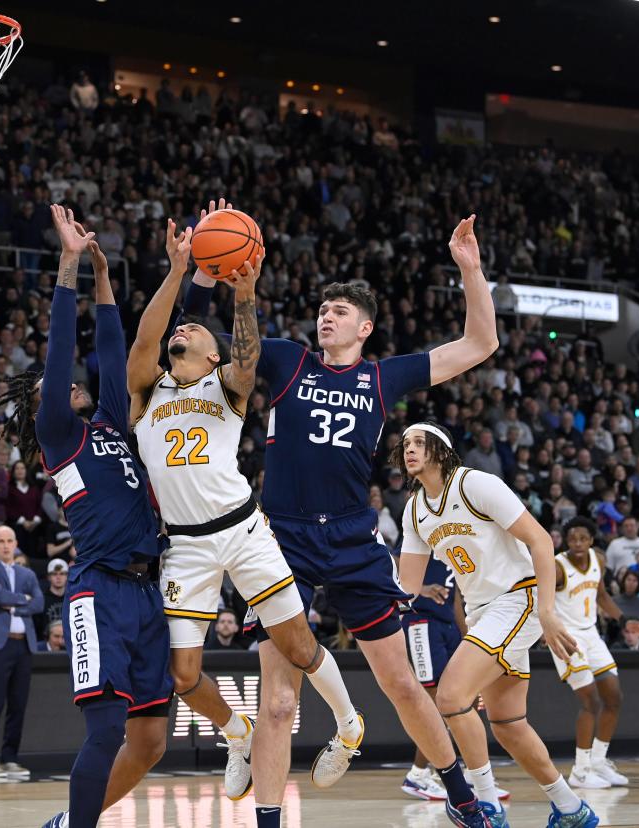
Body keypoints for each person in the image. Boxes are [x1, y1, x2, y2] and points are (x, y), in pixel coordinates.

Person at [183, 208, 490, 826]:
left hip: (353, 538)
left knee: (402, 684)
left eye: (341, 311)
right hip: (282, 540)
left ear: (366, 327)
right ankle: (268, 819)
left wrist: (471, 270)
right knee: (278, 700)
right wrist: (205, 268)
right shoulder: (286, 361)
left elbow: (479, 345)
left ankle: (461, 796)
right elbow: (202, 332)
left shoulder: (382, 378)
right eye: (324, 310)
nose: (327, 316)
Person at [131, 216, 361, 805]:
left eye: (193, 331)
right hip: (185, 546)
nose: (182, 329)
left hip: (242, 531)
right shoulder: (147, 393)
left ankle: (349, 723)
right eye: (178, 329)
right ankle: (238, 735)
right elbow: (143, 340)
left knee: (300, 647)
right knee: (182, 676)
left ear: (211, 357)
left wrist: (246, 293)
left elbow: (248, 355)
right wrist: (179, 270)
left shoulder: (225, 390)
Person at [0, 209, 175, 828]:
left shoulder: (109, 425)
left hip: (148, 593)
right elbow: (63, 350)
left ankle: (70, 820)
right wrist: (68, 264)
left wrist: (104, 277)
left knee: (150, 741)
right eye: (62, 386)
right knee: (104, 733)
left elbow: (111, 346)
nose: (74, 384)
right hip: (98, 593)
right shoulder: (58, 434)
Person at [395, 423, 598, 827]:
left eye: (419, 442)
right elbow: (407, 588)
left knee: (451, 697)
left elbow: (541, 541)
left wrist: (547, 611)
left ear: (441, 449)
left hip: (517, 599)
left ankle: (485, 804)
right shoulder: (415, 510)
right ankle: (572, 809)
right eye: (405, 445)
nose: (409, 450)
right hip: (481, 613)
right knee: (507, 723)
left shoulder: (476, 485)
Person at [551, 517, 627, 789]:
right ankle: (580, 771)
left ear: (592, 540)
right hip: (566, 637)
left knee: (614, 697)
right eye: (573, 539)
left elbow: (602, 595)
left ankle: (597, 762)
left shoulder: (599, 561)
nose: (578, 544)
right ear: (566, 541)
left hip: (591, 634)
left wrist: (624, 620)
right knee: (591, 701)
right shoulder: (557, 567)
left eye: (583, 538)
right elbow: (541, 601)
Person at [398, 551, 476, 802]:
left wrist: (469, 640)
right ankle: (417, 775)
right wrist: (420, 588)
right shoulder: (417, 541)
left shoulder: (451, 548)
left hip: (448, 627)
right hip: (421, 624)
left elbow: (455, 602)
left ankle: (474, 774)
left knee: (463, 700)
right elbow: (389, 571)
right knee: (436, 705)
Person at [0, 525, 43, 781]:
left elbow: (38, 603)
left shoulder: (27, 573)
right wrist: (22, 600)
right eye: (0, 541)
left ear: (15, 543)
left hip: (23, 644)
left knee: (18, 703)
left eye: (9, 540)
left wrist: (13, 605)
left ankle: (10, 757)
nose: (5, 545)